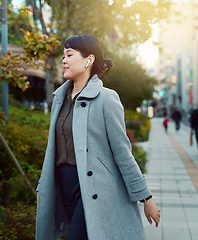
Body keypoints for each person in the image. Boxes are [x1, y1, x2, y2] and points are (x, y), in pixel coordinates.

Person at [35, 35, 161, 240]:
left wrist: (146, 198)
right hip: (63, 185)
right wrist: (44, 186)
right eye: (63, 56)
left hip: (94, 190)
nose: (63, 61)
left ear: (89, 60)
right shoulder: (60, 100)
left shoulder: (106, 99)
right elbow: (53, 149)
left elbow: (122, 152)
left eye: (69, 55)